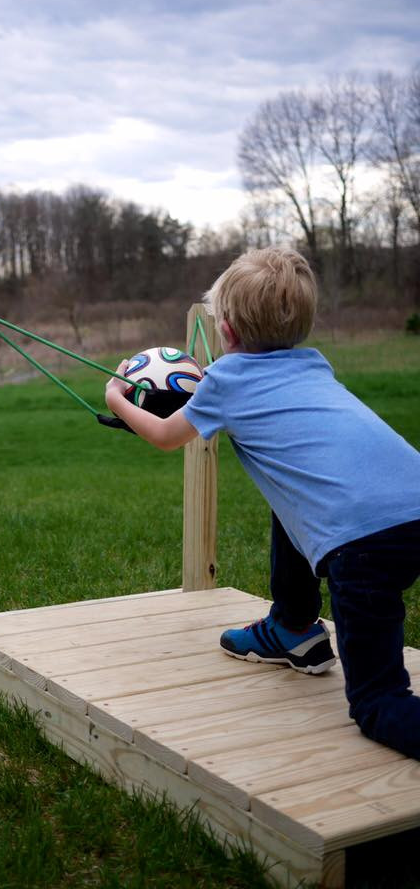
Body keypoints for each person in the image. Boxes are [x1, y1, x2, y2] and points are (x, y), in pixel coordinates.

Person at [105, 247, 420, 760]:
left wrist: (117, 395)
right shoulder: (315, 367)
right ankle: (294, 628)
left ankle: (304, 635)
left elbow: (165, 435)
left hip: (362, 544)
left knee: (378, 703)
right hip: (412, 503)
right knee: (292, 496)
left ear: (225, 332)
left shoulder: (224, 382)